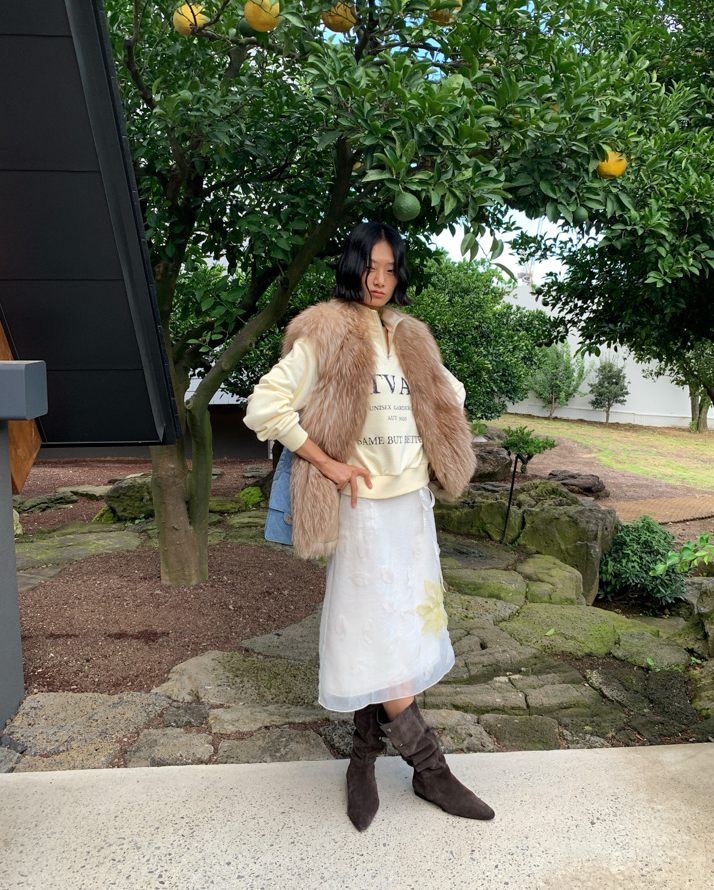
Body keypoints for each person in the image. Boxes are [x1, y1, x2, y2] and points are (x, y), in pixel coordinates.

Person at [243, 221, 494, 830]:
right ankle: (430, 769)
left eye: (389, 269)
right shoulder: (325, 331)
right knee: (371, 629)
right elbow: (264, 407)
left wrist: (431, 434)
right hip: (362, 510)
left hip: (412, 508)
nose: (378, 280)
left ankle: (362, 760)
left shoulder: (409, 334)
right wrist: (328, 461)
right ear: (352, 265)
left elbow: (450, 395)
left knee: (399, 630)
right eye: (370, 267)